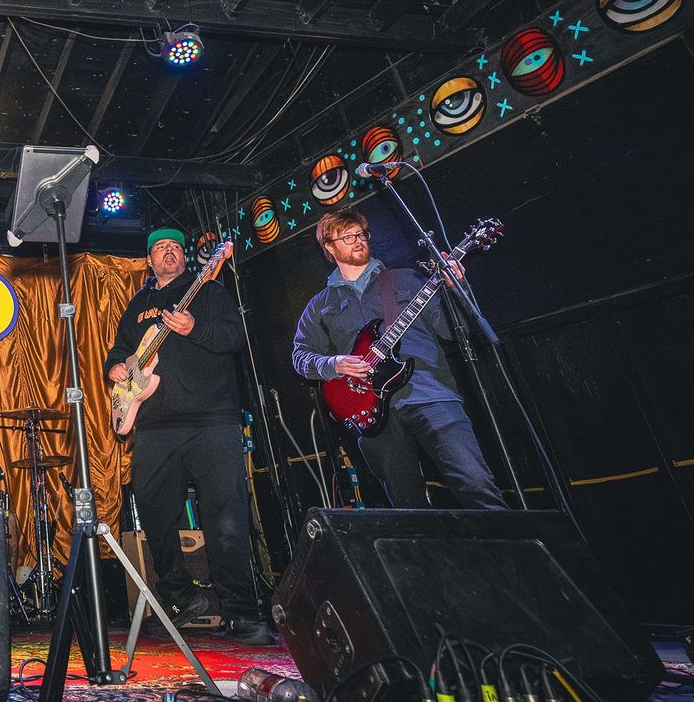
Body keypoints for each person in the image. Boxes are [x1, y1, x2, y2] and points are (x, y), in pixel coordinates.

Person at [104, 228, 270, 646]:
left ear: (185, 257)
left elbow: (236, 338)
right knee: (154, 515)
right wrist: (116, 368)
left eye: (176, 247)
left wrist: (194, 327)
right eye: (161, 248)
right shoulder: (138, 304)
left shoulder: (208, 292)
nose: (169, 253)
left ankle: (241, 613)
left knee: (226, 518)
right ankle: (180, 600)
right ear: (149, 261)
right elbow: (119, 350)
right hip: (154, 426)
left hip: (212, 420)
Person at [293, 209, 507, 510]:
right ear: (330, 247)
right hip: (370, 413)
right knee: (407, 506)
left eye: (362, 234)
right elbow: (300, 355)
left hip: (430, 395)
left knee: (476, 485)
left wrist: (457, 288)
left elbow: (452, 329)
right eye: (349, 237)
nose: (359, 241)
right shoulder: (320, 305)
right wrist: (334, 364)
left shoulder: (406, 279)